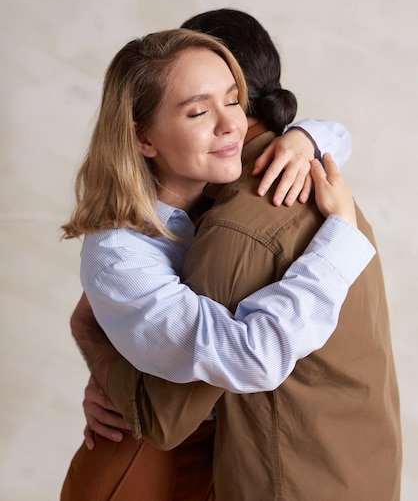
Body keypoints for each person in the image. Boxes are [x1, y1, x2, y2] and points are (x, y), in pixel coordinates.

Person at [61, 25, 375, 500]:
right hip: (138, 460)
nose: (232, 125)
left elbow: (336, 133)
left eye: (233, 100)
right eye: (198, 111)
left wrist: (303, 139)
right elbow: (254, 357)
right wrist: (341, 242)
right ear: (143, 138)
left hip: (216, 451)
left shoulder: (209, 193)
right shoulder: (118, 255)